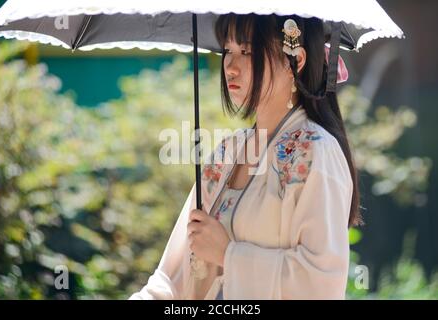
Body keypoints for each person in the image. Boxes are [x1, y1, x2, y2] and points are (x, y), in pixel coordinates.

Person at [129, 13, 362, 300]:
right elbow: (169, 280)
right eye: (228, 50)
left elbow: (320, 284)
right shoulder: (227, 152)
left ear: (295, 62)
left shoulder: (316, 151)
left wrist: (228, 254)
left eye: (247, 51)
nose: (230, 66)